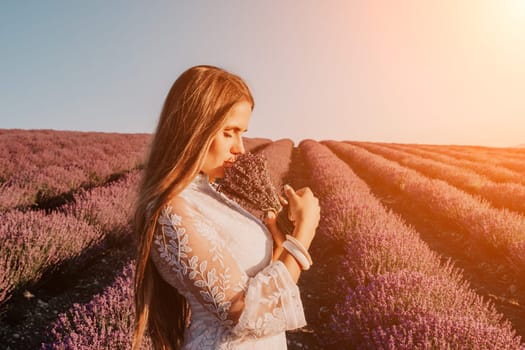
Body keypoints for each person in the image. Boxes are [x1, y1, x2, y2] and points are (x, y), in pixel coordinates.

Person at [132, 65, 320, 350]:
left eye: (242, 133)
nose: (240, 148)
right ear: (193, 130)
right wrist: (304, 234)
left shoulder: (208, 194)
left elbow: (253, 284)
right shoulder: (172, 209)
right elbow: (245, 315)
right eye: (229, 132)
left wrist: (281, 241)